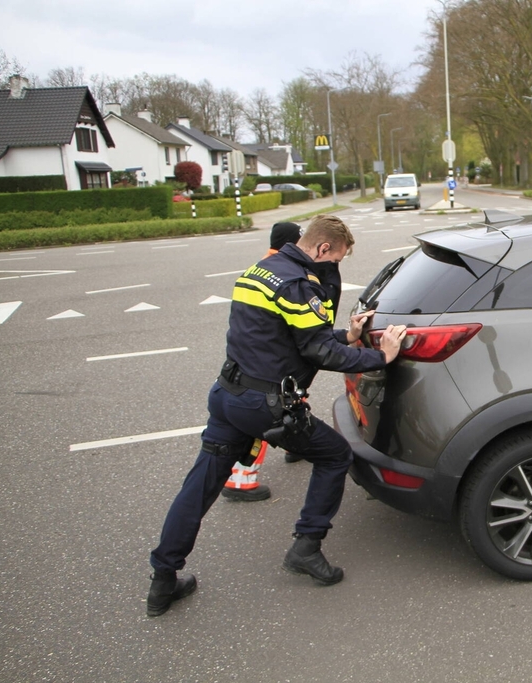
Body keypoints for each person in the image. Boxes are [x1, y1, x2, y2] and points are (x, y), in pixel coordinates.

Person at [146, 214, 406, 617]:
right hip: (263, 404)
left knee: (199, 487)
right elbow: (320, 352)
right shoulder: (300, 286)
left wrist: (349, 335)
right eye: (336, 258)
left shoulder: (259, 271)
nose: (334, 266)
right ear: (323, 249)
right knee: (335, 454)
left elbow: (292, 340)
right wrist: (380, 355)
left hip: (228, 394)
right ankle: (306, 546)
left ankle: (163, 578)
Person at [220, 222, 304, 502]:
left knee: (291, 404)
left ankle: (296, 445)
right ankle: (241, 479)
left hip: (252, 359)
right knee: (263, 419)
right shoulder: (286, 272)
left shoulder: (262, 266)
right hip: (266, 367)